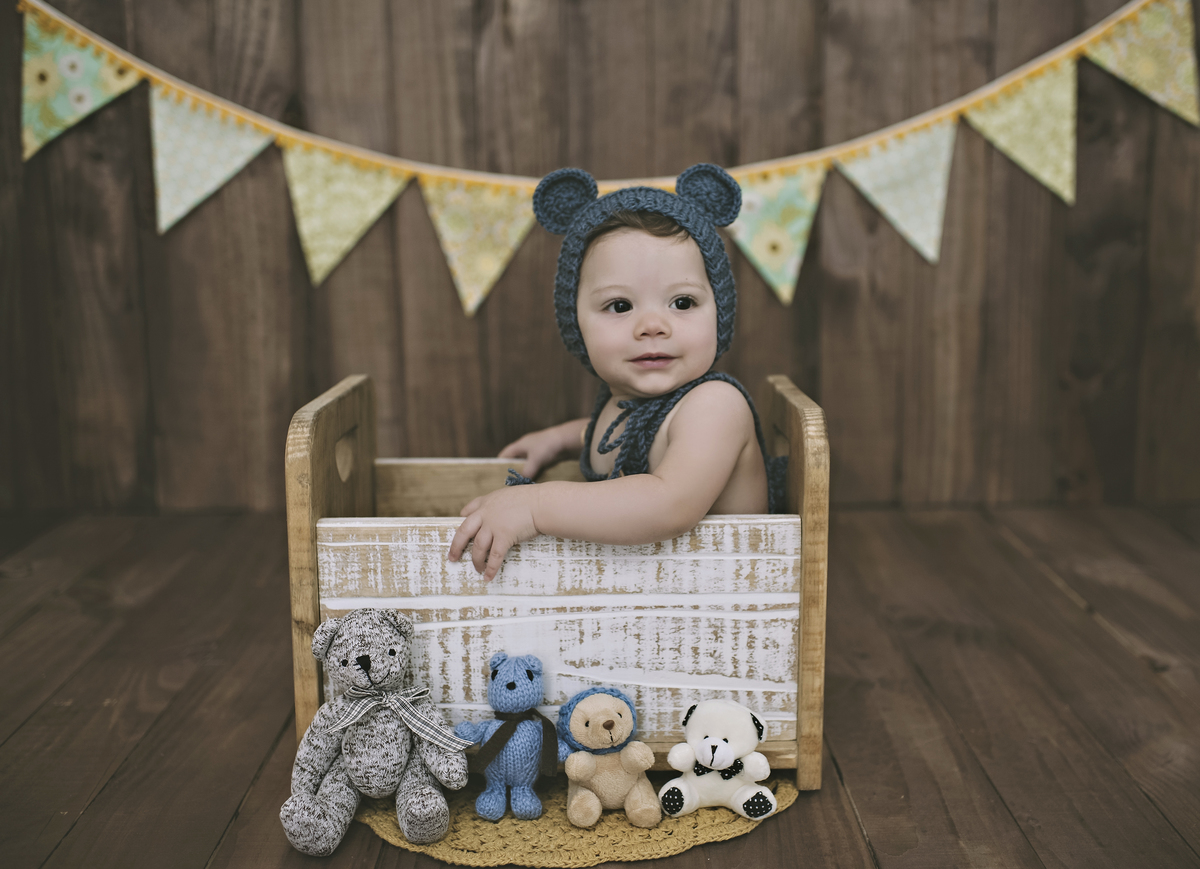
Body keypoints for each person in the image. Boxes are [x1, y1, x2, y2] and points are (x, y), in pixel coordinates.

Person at [448, 164, 785, 580]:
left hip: (725, 598)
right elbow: (632, 435)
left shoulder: (717, 406)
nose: (652, 326)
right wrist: (561, 439)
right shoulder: (624, 404)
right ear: (576, 324)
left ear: (719, 312)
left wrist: (535, 506)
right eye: (620, 306)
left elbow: (668, 505)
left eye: (682, 303)